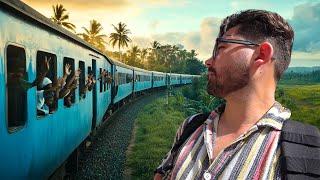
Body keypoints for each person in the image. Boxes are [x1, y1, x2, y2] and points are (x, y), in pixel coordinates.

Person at [154, 9, 319, 180]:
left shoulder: (306, 152)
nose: (208, 61)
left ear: (261, 55)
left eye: (221, 48)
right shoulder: (190, 127)